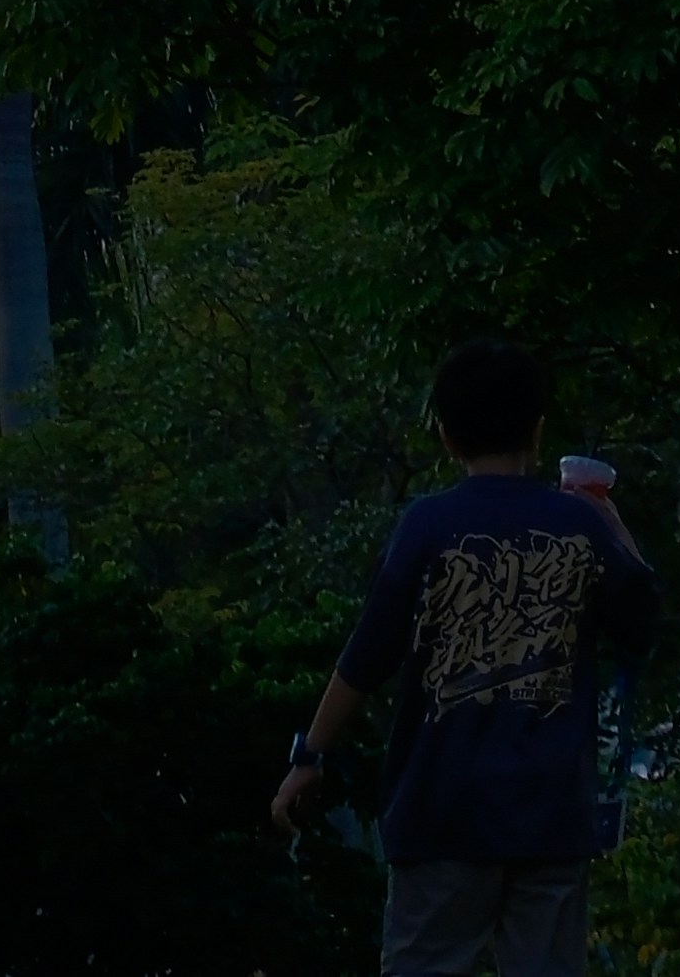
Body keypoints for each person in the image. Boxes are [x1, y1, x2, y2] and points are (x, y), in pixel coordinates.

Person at [273, 339, 659, 977]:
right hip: (552, 817)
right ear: (537, 430)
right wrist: (610, 521)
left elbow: (368, 655)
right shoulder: (578, 526)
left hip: (441, 815)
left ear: (447, 437)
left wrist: (309, 756)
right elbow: (640, 623)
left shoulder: (427, 524)